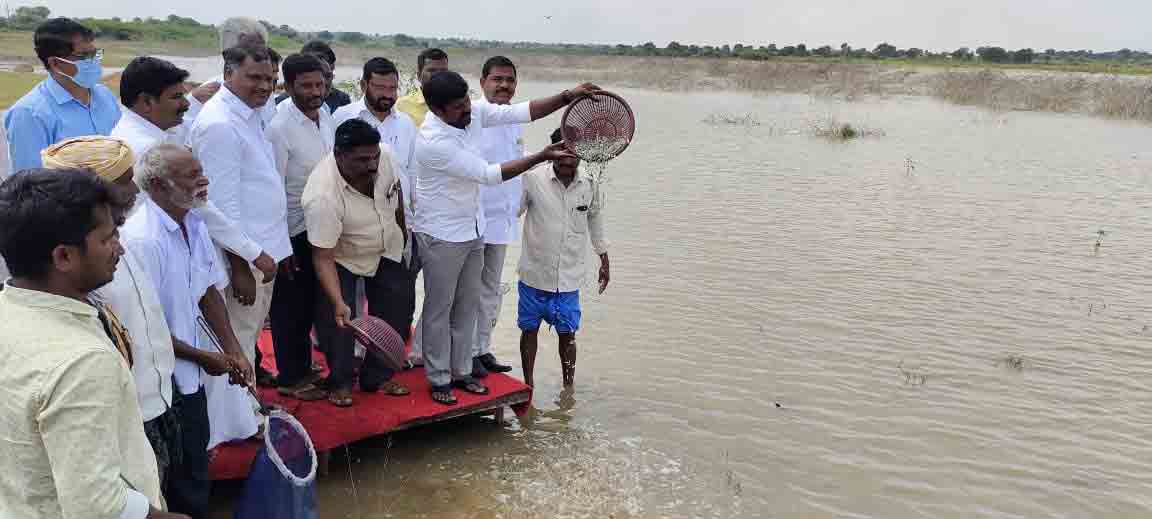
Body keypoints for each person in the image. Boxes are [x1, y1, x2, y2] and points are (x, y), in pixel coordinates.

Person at [0, 168, 185, 519]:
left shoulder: (9, 309)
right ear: (63, 257)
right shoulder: (82, 361)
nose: (120, 248)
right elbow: (98, 507)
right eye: (107, 238)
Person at [412, 70, 598, 405]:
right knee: (440, 308)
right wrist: (541, 157)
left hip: (473, 228)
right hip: (441, 234)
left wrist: (567, 96)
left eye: (467, 101)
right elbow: (487, 174)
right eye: (458, 107)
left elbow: (521, 111)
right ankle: (438, 378)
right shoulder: (432, 142)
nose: (468, 110)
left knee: (468, 305)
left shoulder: (470, 112)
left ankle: (462, 371)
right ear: (438, 110)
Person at [39, 137, 184, 498]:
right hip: (124, 415)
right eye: (122, 180)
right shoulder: (76, 267)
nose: (134, 188)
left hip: (159, 397)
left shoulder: (120, 239)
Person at [122, 144, 255, 518]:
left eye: (201, 171)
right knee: (172, 478)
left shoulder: (193, 221)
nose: (204, 181)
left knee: (194, 466)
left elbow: (208, 289)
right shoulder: (143, 240)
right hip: (161, 383)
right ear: (160, 187)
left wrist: (234, 349)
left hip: (189, 375)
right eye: (192, 176)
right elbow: (148, 328)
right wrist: (204, 357)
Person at [112, 56, 277, 284]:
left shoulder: (153, 132)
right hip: (162, 263)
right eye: (177, 97)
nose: (187, 104)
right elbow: (199, 206)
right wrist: (251, 253)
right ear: (147, 102)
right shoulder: (146, 148)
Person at [187, 43, 291, 373]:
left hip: (261, 251)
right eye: (254, 77)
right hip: (245, 259)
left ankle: (245, 414)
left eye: (270, 79)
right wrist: (242, 264)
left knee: (248, 337)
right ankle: (239, 422)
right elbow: (217, 206)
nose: (264, 86)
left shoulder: (250, 113)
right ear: (228, 74)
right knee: (238, 344)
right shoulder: (220, 123)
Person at [303, 119, 412, 407]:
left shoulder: (385, 156)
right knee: (339, 320)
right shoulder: (322, 196)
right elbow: (323, 257)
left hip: (387, 247)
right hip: (342, 258)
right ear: (339, 155)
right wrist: (338, 300)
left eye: (374, 156)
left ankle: (377, 376)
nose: (372, 165)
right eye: (362, 160)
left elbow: (396, 195)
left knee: (398, 312)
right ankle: (339, 381)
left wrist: (403, 235)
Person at [518, 128, 610, 389]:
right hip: (534, 273)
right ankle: (528, 384)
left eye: (573, 149)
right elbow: (510, 211)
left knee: (568, 334)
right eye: (561, 148)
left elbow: (596, 221)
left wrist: (604, 258)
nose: (566, 155)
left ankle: (568, 387)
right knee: (528, 330)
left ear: (582, 153)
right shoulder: (532, 179)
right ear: (551, 151)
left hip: (569, 277)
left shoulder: (590, 184)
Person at [267, 53, 334, 401]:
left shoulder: (327, 118)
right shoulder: (279, 128)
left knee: (311, 303)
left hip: (323, 227)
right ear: (289, 85)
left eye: (319, 84)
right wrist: (281, 245)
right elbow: (274, 187)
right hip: (293, 230)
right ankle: (290, 377)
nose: (314, 91)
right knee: (289, 307)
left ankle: (305, 367)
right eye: (306, 85)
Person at [3, 18, 119, 174]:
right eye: (84, 56)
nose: (93, 61)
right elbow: (31, 185)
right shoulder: (29, 113)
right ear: (55, 63)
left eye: (94, 53)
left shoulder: (104, 95)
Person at [472, 56, 524, 378]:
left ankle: (481, 348)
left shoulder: (514, 120)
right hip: (474, 220)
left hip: (502, 222)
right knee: (468, 292)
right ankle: (464, 353)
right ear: (482, 83)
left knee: (490, 288)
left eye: (509, 80)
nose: (504, 85)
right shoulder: (474, 116)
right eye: (497, 79)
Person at [182, 17, 273, 125]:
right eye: (251, 49)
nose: (260, 54)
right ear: (227, 55)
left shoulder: (265, 90)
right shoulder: (207, 95)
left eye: (262, 49)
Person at [275, 40, 351, 112]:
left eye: (328, 76)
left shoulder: (342, 100)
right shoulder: (280, 106)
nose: (324, 83)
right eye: (307, 84)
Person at [396, 48, 448, 128]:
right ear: (419, 75)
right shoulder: (402, 106)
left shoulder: (459, 104)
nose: (438, 75)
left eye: (443, 71)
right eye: (432, 70)